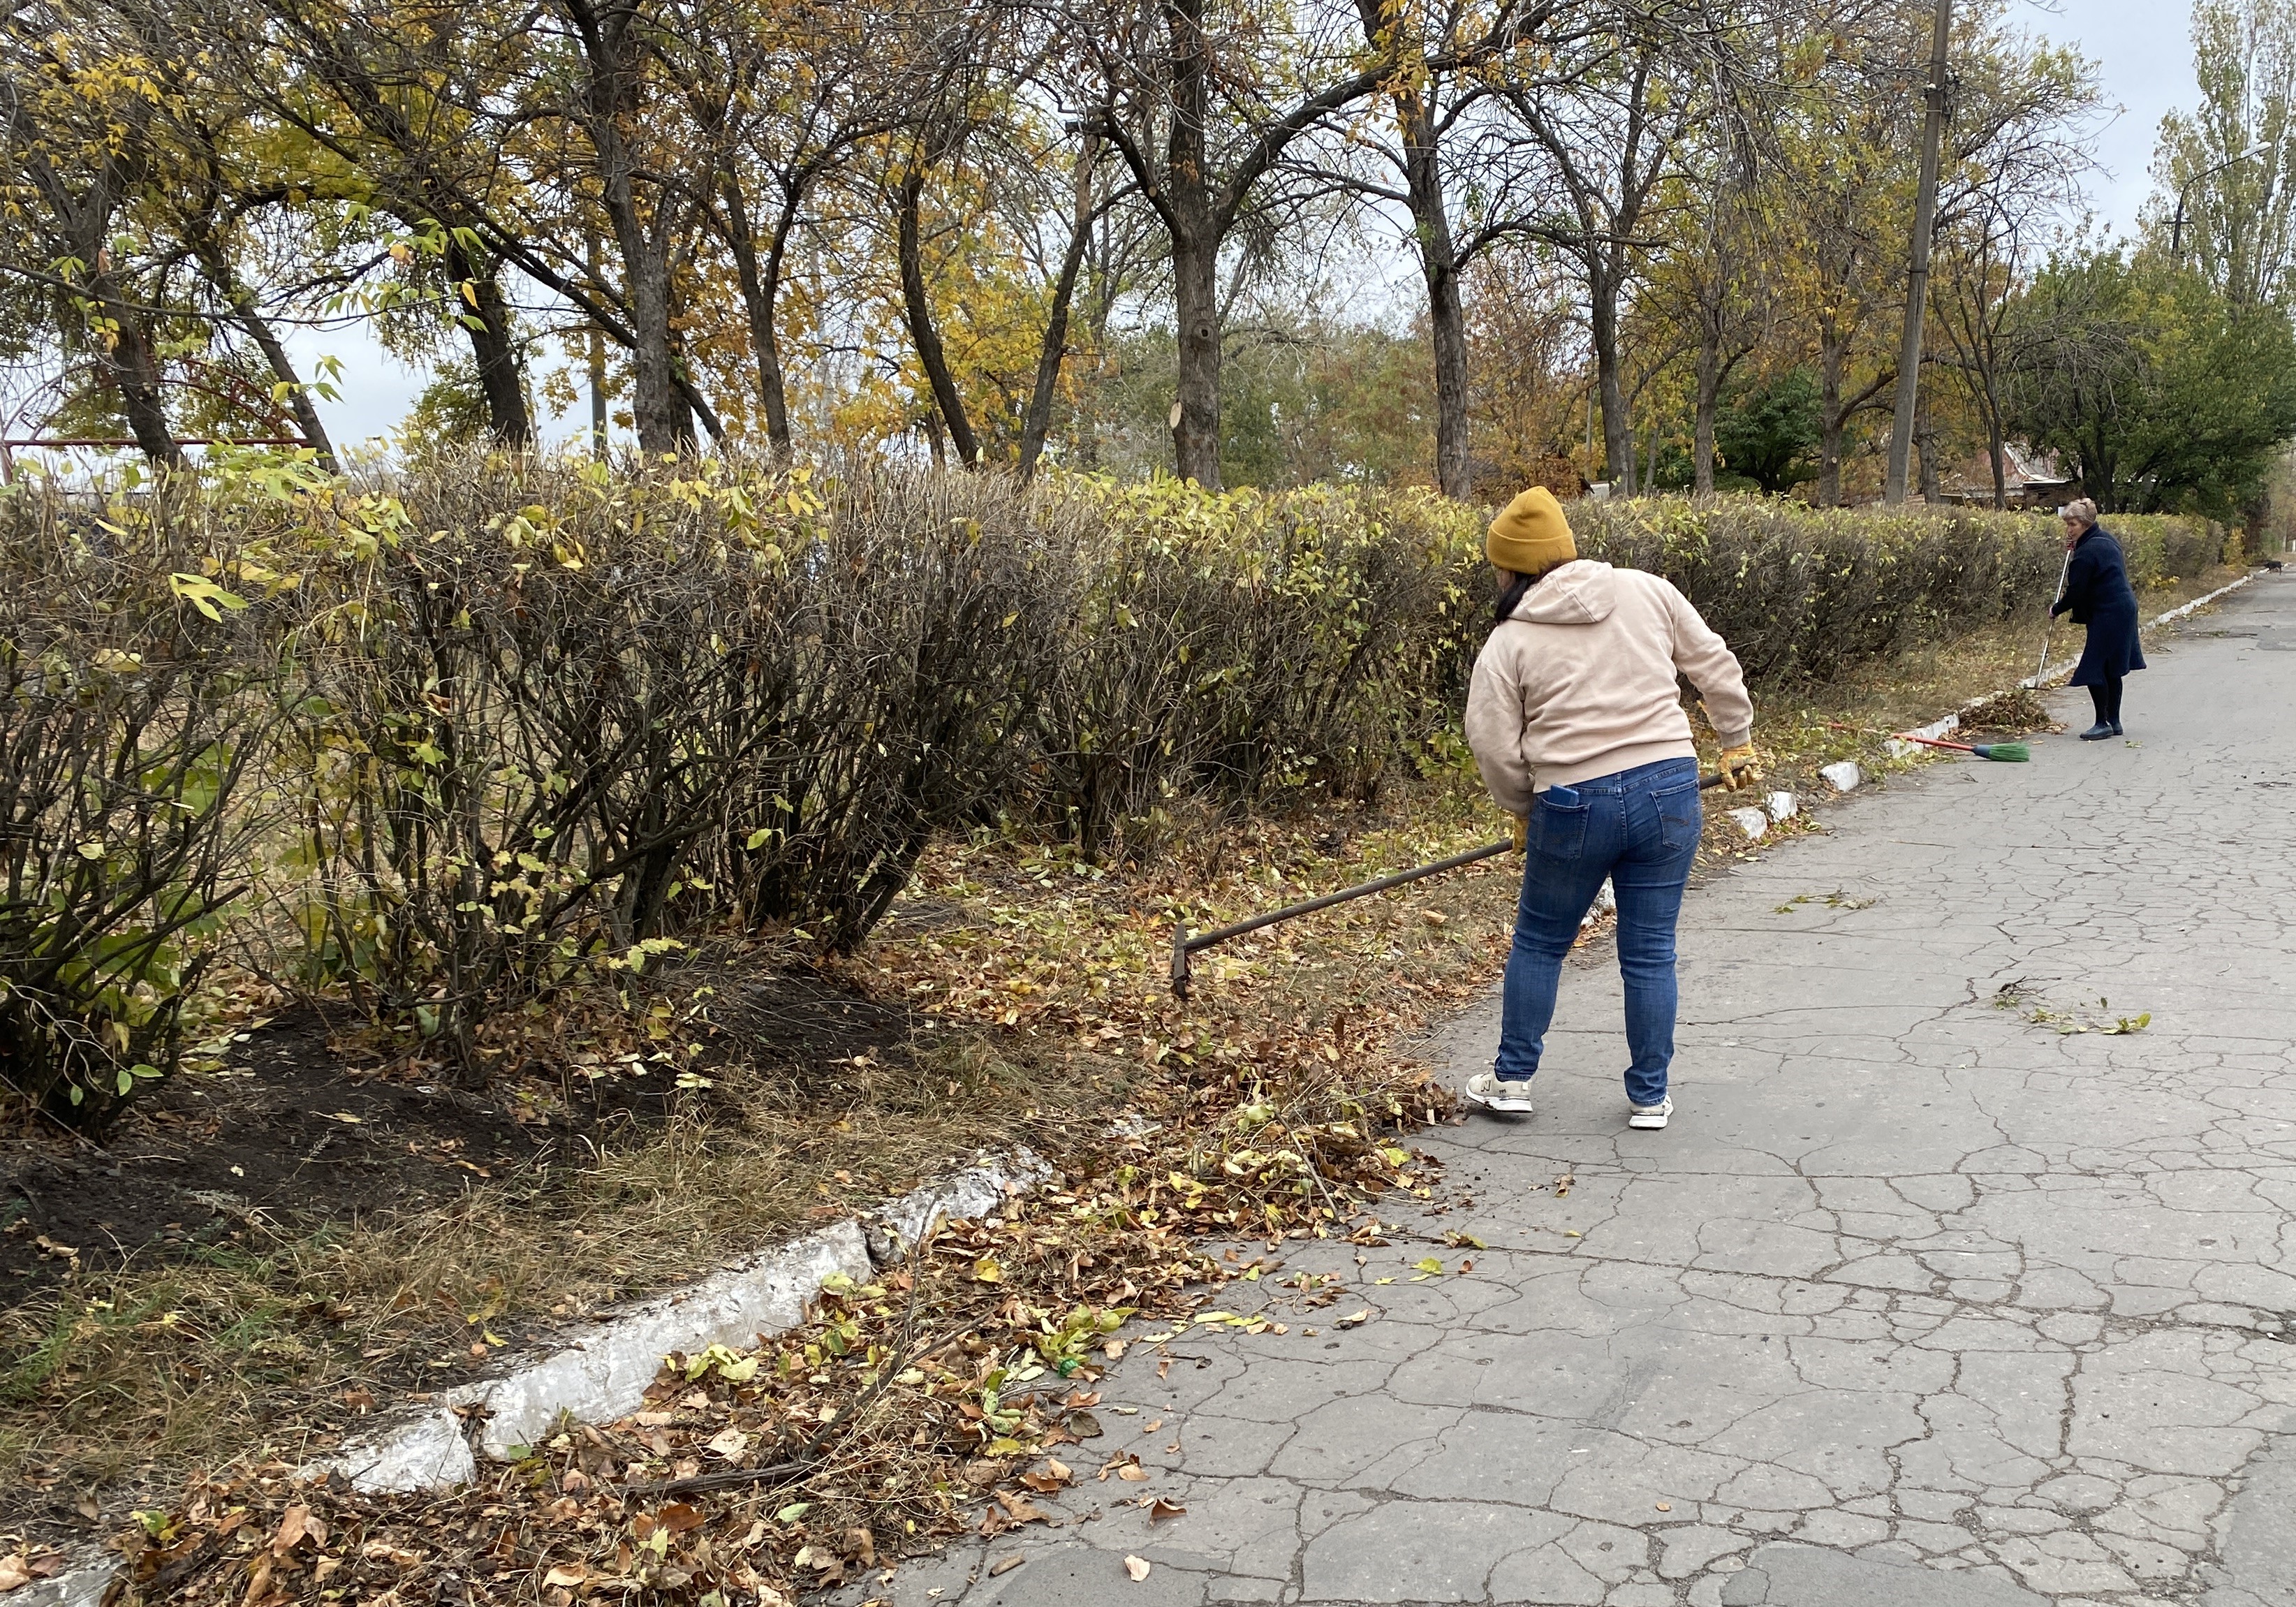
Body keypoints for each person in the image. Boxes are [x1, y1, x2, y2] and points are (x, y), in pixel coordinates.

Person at [1462, 487, 1758, 1131]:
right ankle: (1651, 1094)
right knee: (1650, 948)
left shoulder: (1508, 641)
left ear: (1516, 568)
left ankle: (1512, 1079)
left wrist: (1521, 807)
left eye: (1500, 568)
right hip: (1669, 791)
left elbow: (1490, 741)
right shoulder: (1648, 590)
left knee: (1541, 942)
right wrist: (1736, 739)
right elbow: (1714, 662)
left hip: (1574, 805)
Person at [2050, 498, 2144, 740]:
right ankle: (2114, 721)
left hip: (2109, 611)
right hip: (2123, 607)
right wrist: (2077, 549)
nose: (2069, 530)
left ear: (2085, 523)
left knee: (2095, 666)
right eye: (2068, 525)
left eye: (2073, 525)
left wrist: (2056, 609)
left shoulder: (2088, 552)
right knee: (2112, 667)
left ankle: (2102, 722)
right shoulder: (2106, 539)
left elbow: (2077, 591)